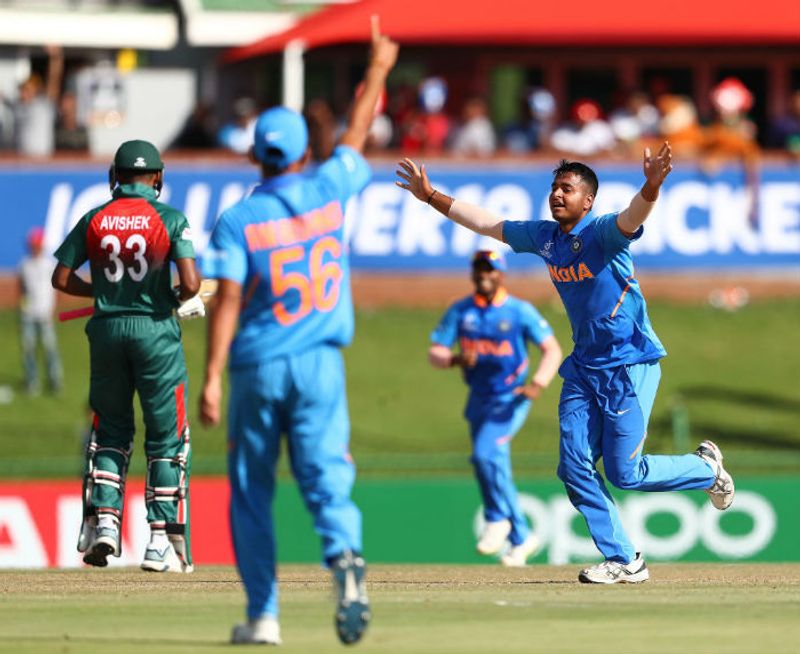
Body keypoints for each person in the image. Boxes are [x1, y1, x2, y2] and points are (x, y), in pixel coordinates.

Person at [395, 142, 735, 584]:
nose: (557, 195)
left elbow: (633, 216)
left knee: (624, 473)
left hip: (629, 364)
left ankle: (705, 469)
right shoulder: (545, 238)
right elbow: (487, 224)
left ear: (588, 200)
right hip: (583, 369)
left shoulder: (603, 233)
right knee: (573, 467)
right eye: (554, 188)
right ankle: (624, 559)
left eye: (567, 189)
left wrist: (651, 187)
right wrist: (431, 196)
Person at [198, 17, 398, 646]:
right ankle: (345, 558)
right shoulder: (330, 188)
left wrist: (209, 376)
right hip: (320, 363)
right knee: (325, 477)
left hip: (258, 365)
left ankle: (263, 616)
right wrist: (378, 69)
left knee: (253, 491)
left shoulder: (237, 220)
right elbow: (359, 130)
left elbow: (228, 298)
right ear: (306, 151)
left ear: (256, 153)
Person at [51, 139, 202, 574]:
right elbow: (191, 283)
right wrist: (176, 297)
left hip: (107, 331)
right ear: (158, 176)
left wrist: (100, 292)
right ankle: (158, 540)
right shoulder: (171, 218)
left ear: (114, 176)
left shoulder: (94, 217)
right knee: (166, 437)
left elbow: (61, 277)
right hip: (155, 332)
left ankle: (105, 525)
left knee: (111, 430)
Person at [429, 250, 562, 566]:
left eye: (490, 269)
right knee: (494, 464)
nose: (484, 275)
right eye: (479, 269)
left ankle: (496, 517)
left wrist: (539, 383)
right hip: (479, 397)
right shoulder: (462, 311)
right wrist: (457, 359)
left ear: (501, 274)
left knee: (484, 454)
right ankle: (521, 536)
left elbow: (552, 350)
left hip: (510, 398)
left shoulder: (519, 311)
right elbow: (435, 353)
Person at [18, 226, 63, 395]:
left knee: (49, 348)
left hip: (45, 313)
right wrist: (21, 305)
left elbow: (57, 287)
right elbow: (21, 288)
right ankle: (32, 381)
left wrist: (53, 308)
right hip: (28, 313)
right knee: (28, 349)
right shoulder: (24, 264)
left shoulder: (49, 264)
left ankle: (55, 380)